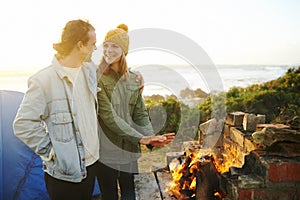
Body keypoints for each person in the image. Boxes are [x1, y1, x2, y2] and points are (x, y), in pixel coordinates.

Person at [13, 19, 100, 200]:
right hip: (64, 174)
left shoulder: (90, 70)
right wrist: (52, 152)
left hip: (92, 165)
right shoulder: (43, 80)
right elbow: (23, 124)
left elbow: (111, 69)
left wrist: (135, 77)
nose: (95, 48)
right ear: (80, 45)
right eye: (93, 44)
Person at [96, 24, 175, 200]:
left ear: (124, 50)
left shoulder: (133, 78)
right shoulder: (97, 77)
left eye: (114, 46)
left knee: (130, 194)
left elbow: (139, 113)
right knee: (109, 195)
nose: (109, 50)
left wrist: (152, 139)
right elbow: (109, 117)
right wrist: (142, 138)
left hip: (129, 151)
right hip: (105, 150)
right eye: (106, 45)